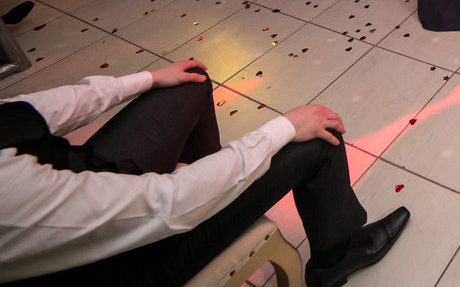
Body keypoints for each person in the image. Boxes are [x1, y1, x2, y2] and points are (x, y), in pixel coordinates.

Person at [0, 60, 410, 287]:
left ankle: (218, 185)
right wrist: (282, 128)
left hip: (79, 185)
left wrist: (146, 79)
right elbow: (168, 204)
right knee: (317, 141)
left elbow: (24, 113)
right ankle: (335, 257)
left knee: (189, 82)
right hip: (114, 264)